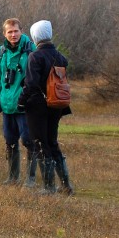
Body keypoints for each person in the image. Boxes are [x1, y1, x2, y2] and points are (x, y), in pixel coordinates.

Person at [17, 20, 74, 195]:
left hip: (38, 106)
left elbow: (31, 84)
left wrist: (21, 100)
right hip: (57, 105)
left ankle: (48, 188)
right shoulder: (60, 57)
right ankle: (66, 185)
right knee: (52, 142)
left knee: (40, 143)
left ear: (36, 37)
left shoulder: (35, 56)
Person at [0, 18, 37, 186]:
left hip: (25, 105)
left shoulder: (31, 49)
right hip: (7, 104)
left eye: (16, 31)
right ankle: (13, 178)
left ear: (21, 31)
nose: (13, 34)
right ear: (4, 34)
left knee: (28, 140)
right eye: (9, 32)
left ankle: (30, 179)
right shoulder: (1, 52)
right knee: (10, 140)